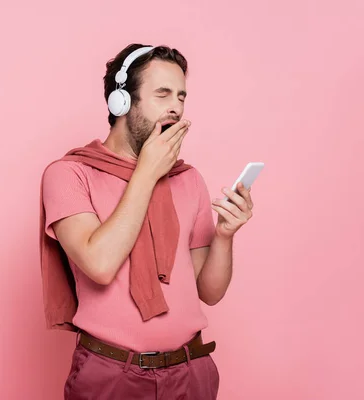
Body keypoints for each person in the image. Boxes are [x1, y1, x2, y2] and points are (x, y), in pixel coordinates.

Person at [39, 43, 255, 400]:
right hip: (111, 376)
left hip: (192, 373)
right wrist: (146, 174)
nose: (176, 106)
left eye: (182, 96)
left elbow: (210, 292)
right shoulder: (68, 175)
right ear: (121, 102)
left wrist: (225, 235)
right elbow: (100, 264)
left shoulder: (188, 180)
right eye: (162, 94)